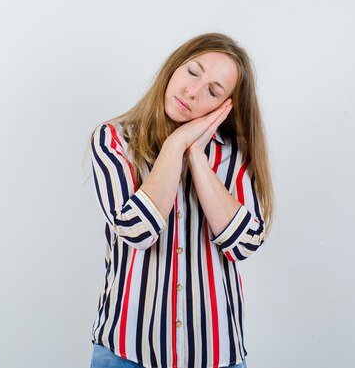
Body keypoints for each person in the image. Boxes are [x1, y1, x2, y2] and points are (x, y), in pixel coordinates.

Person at [84, 32, 275, 368]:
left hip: (215, 356)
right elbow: (137, 230)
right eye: (192, 72)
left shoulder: (236, 154)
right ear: (175, 66)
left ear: (225, 106)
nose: (192, 91)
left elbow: (243, 243)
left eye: (213, 91)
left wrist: (197, 157)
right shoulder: (114, 139)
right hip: (127, 353)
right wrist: (176, 144)